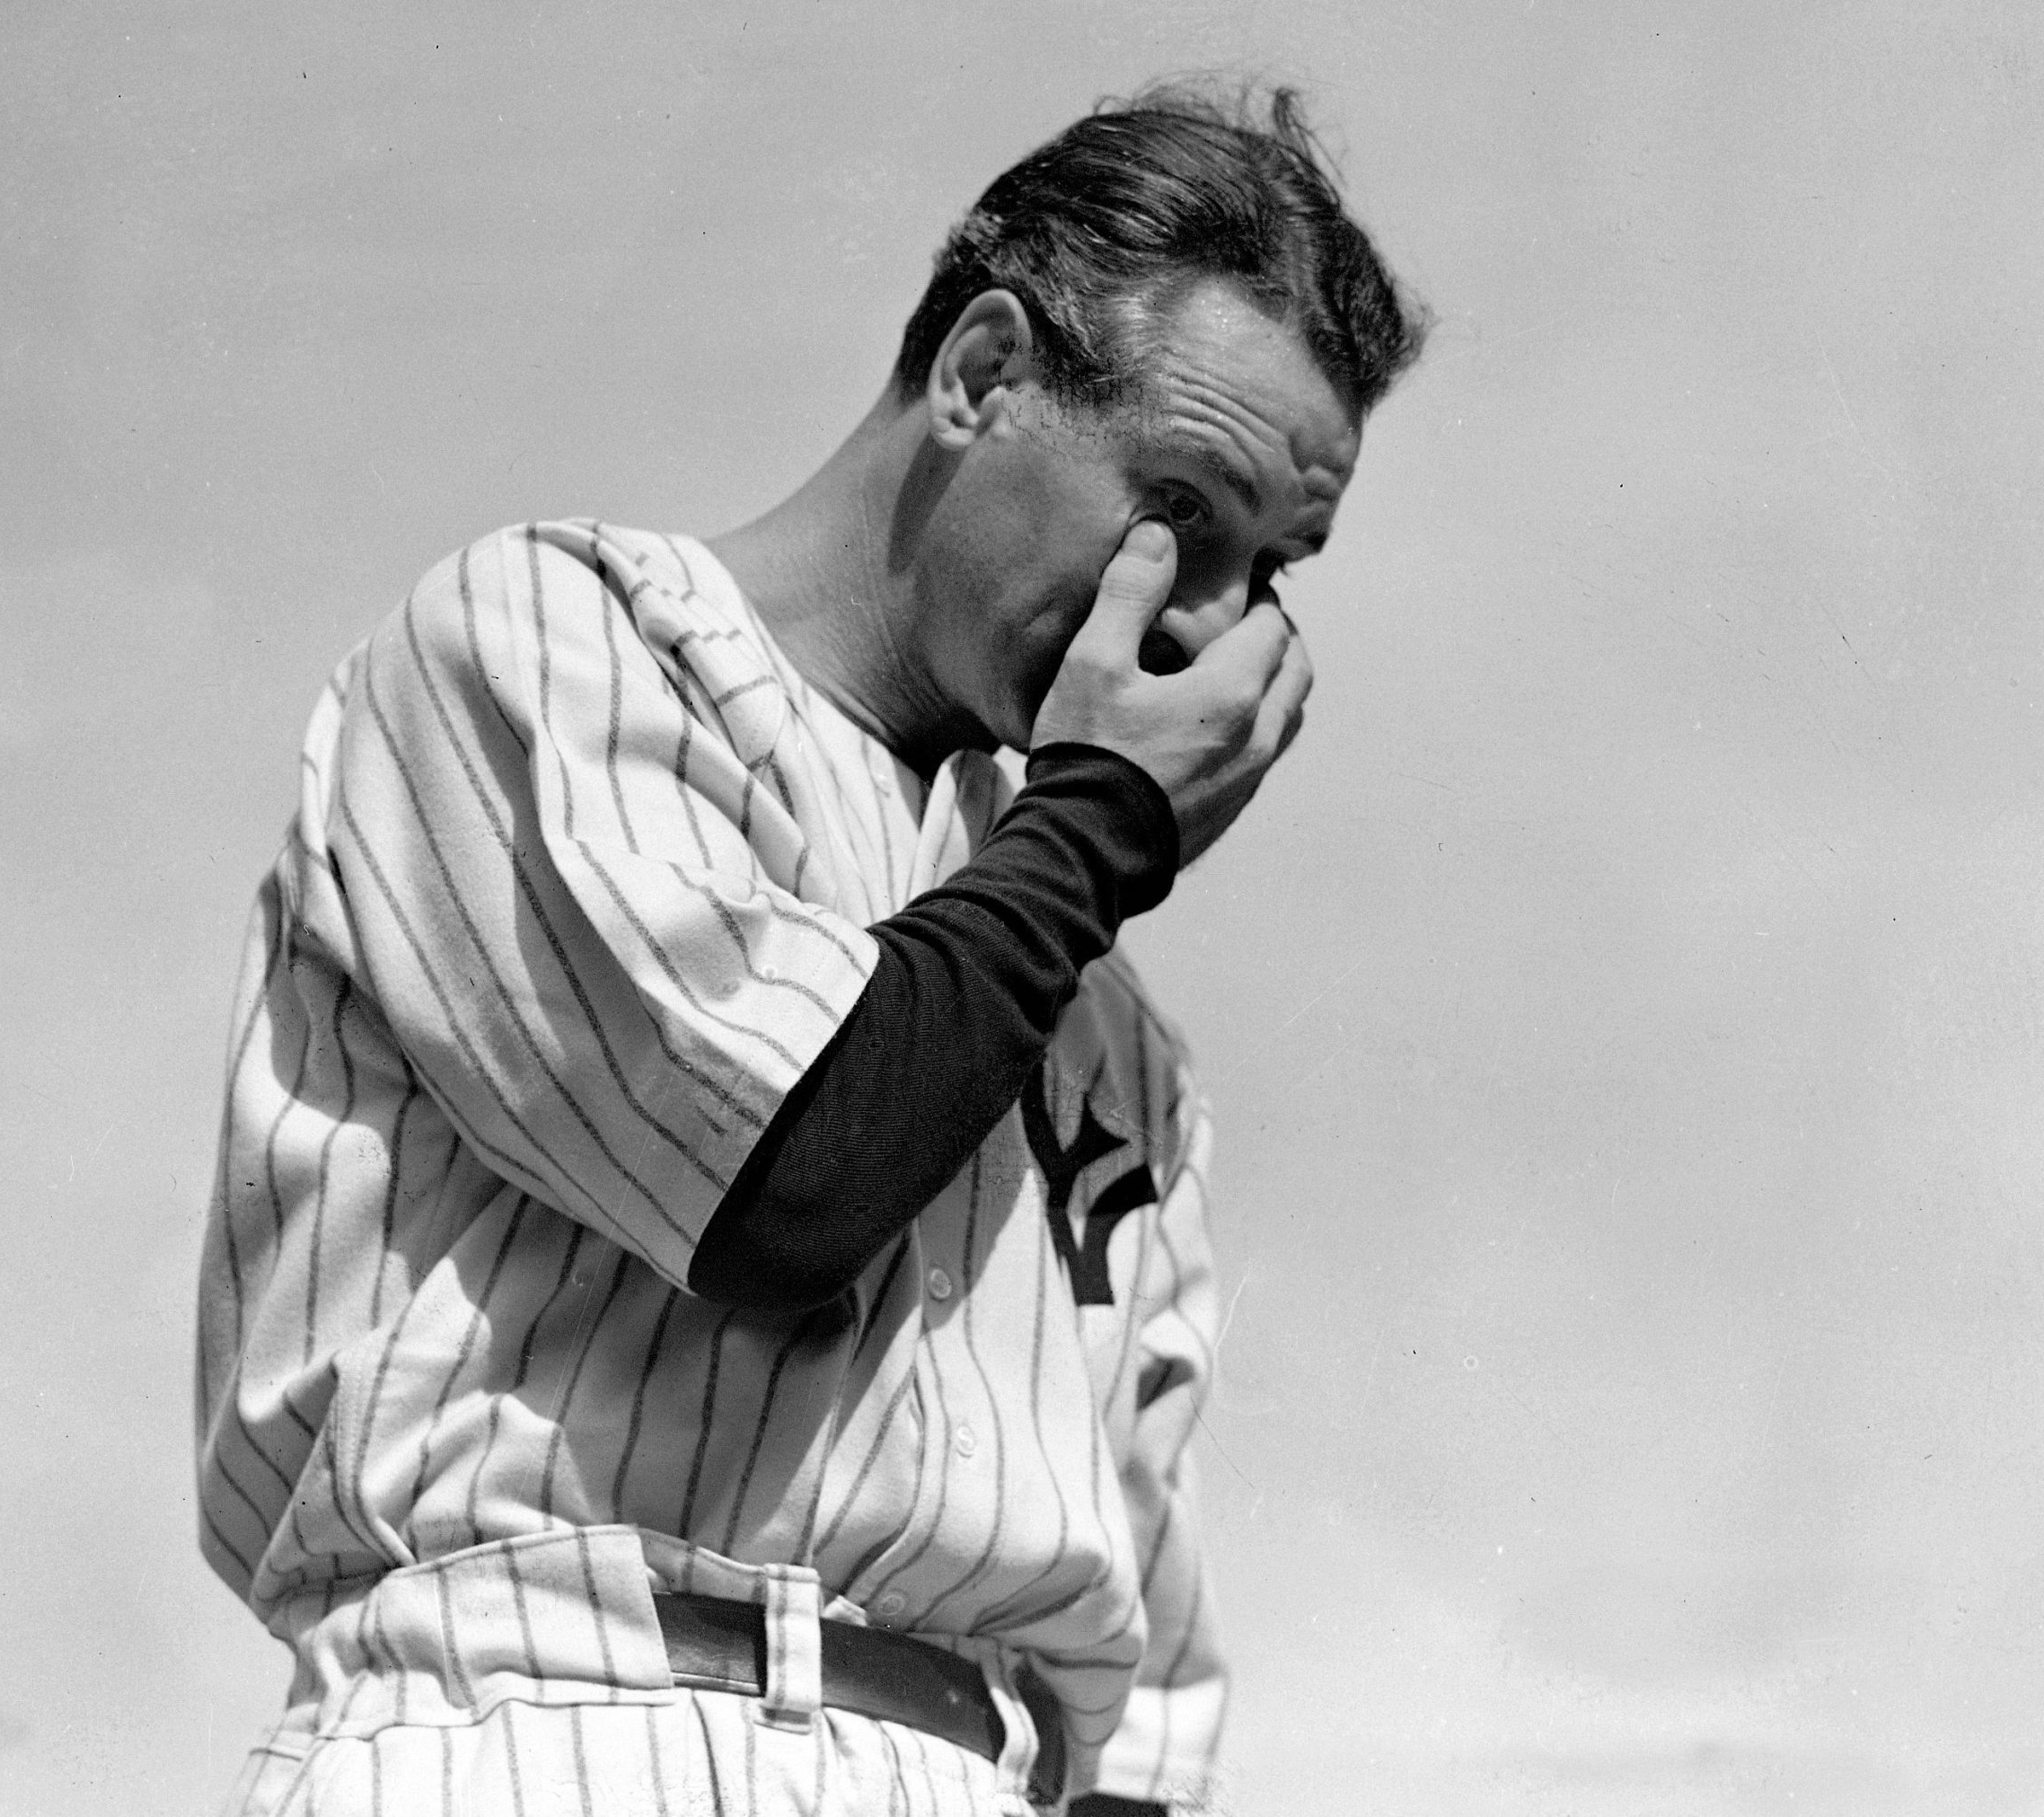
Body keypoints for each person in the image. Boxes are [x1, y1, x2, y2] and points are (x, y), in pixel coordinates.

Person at [197, 82, 1423, 1817]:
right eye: (1185, 513)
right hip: (555, 1716)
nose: (1214, 625)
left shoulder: (1106, 1021)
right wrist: (1090, 837)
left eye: (1273, 567)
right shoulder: (561, 643)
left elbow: (1146, 1665)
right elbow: (780, 1192)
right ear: (983, 376)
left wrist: (1073, 860)